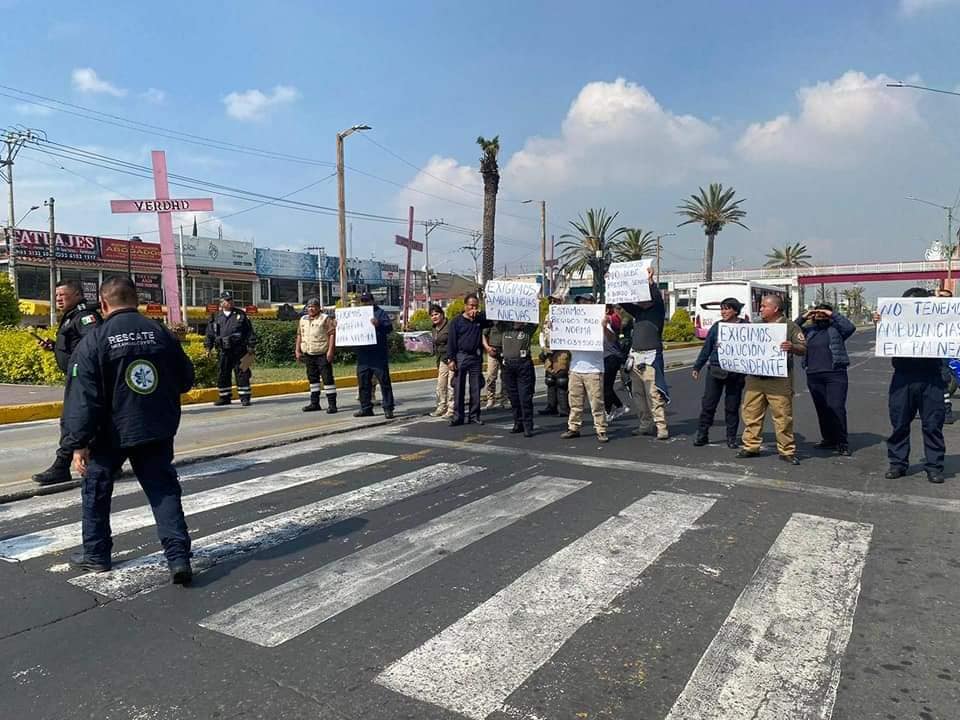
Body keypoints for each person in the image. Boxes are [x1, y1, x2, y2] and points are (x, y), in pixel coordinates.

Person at [61, 276, 194, 583]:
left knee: (96, 490)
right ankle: (178, 558)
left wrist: (78, 442)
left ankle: (96, 554)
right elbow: (186, 379)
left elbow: (84, 398)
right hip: (155, 429)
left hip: (109, 433)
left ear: (104, 304)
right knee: (163, 491)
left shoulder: (94, 340)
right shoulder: (161, 333)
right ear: (137, 301)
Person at [32, 279, 102, 485]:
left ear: (78, 295)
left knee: (73, 420)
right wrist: (54, 347)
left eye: (62, 295)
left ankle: (62, 465)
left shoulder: (85, 317)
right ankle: (86, 462)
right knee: (78, 420)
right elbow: (75, 347)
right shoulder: (73, 317)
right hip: (76, 376)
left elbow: (91, 346)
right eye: (56, 296)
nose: (58, 299)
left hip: (83, 378)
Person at [879, 287, 946, 483]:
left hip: (930, 378)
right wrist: (881, 323)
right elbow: (886, 336)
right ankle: (898, 463)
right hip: (903, 377)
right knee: (899, 422)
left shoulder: (938, 323)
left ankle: (934, 466)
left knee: (933, 424)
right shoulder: (895, 321)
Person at [737, 294, 806, 465]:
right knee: (751, 413)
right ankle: (751, 446)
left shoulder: (790, 326)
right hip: (756, 378)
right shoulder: (756, 326)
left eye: (763, 306)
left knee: (782, 416)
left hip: (779, 379)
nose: (760, 309)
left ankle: (786, 450)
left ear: (775, 308)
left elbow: (803, 348)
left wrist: (792, 347)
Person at [797, 302, 855, 456]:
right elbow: (792, 329)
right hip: (814, 375)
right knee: (822, 408)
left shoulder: (836, 330)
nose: (819, 315)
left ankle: (842, 442)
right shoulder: (809, 331)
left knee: (836, 407)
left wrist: (831, 313)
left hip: (835, 374)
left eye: (823, 312)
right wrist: (804, 316)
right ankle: (828, 439)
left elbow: (850, 327)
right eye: (817, 313)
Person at [620, 267, 671, 440]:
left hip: (651, 358)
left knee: (654, 394)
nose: (639, 300)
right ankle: (645, 424)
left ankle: (661, 426)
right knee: (638, 394)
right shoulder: (638, 312)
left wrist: (650, 281)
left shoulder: (657, 310)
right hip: (636, 357)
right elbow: (623, 302)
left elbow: (657, 297)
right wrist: (612, 282)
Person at [691, 297, 747, 448]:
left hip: (736, 373)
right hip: (716, 371)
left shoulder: (746, 326)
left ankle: (731, 437)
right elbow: (707, 348)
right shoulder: (717, 326)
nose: (723, 312)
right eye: (722, 309)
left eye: (727, 308)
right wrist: (697, 367)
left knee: (732, 406)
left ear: (735, 310)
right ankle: (702, 434)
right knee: (708, 404)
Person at [560, 295, 609, 443]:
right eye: (580, 302)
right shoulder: (573, 319)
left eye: (586, 302)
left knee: (597, 402)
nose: (583, 304)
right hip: (575, 368)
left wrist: (605, 327)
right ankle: (573, 427)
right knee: (574, 401)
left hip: (594, 369)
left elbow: (611, 340)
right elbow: (561, 338)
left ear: (593, 304)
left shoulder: (601, 320)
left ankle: (601, 429)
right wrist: (555, 328)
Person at [204, 291, 256, 407]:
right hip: (223, 350)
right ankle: (224, 397)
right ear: (221, 303)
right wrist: (208, 347)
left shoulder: (240, 314)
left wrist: (251, 346)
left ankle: (245, 398)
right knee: (223, 373)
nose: (230, 302)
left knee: (242, 372)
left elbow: (249, 332)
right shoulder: (215, 316)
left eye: (231, 300)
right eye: (227, 300)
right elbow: (209, 334)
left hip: (239, 350)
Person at [446, 293, 488, 426]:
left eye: (476, 306)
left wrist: (480, 315)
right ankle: (458, 416)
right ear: (465, 306)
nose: (473, 309)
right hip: (461, 356)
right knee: (458, 387)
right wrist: (451, 359)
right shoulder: (456, 321)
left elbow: (492, 320)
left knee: (475, 387)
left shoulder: (479, 320)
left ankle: (474, 415)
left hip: (475, 357)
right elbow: (451, 341)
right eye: (471, 306)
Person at [354, 292, 395, 419]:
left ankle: (388, 408)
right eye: (363, 300)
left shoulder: (380, 313)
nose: (365, 303)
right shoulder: (357, 314)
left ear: (372, 301)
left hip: (378, 355)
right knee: (363, 383)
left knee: (384, 382)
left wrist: (379, 324)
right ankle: (366, 408)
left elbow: (389, 328)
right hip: (363, 355)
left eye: (367, 300)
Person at [296, 297, 337, 413]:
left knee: (327, 379)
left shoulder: (325, 319)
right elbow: (299, 335)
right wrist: (297, 350)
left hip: (322, 354)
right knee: (313, 379)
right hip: (308, 353)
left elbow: (332, 334)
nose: (311, 309)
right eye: (309, 307)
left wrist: (330, 351)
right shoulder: (303, 319)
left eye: (313, 307)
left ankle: (332, 405)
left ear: (319, 308)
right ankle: (314, 403)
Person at [501, 321, 537, 437]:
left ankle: (528, 425)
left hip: (523, 365)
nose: (518, 321)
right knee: (513, 397)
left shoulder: (527, 330)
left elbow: (534, 319)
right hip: (508, 366)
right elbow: (491, 314)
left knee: (525, 397)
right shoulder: (504, 327)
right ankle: (518, 423)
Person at [539, 297, 571, 417]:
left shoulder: (567, 316)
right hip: (549, 350)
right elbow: (542, 332)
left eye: (556, 301)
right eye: (551, 301)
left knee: (561, 379)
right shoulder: (547, 316)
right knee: (550, 379)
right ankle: (551, 406)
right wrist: (543, 347)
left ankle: (564, 408)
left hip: (561, 350)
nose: (553, 303)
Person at [935, 288, 956, 425]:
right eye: (939, 296)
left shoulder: (955, 313)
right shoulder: (931, 312)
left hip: (948, 354)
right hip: (933, 353)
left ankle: (946, 412)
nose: (941, 298)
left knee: (944, 381)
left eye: (944, 296)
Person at [602, 305, 626, 422]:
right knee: (605, 386)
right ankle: (619, 406)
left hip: (612, 357)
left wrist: (608, 321)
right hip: (602, 357)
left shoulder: (613, 319)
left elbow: (616, 322)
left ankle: (609, 411)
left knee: (606, 386)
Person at [430, 304, 454, 418]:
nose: (434, 317)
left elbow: (453, 342)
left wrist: (452, 358)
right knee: (441, 384)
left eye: (436, 314)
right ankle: (441, 406)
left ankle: (451, 409)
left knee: (451, 385)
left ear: (442, 314)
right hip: (441, 359)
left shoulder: (450, 326)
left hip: (451, 358)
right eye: (432, 315)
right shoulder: (434, 328)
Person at [482, 321, 507, 409]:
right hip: (493, 351)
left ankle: (504, 399)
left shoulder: (508, 320)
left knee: (505, 376)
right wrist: (487, 348)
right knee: (491, 375)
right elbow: (483, 335)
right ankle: (490, 399)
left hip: (506, 351)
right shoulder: (490, 321)